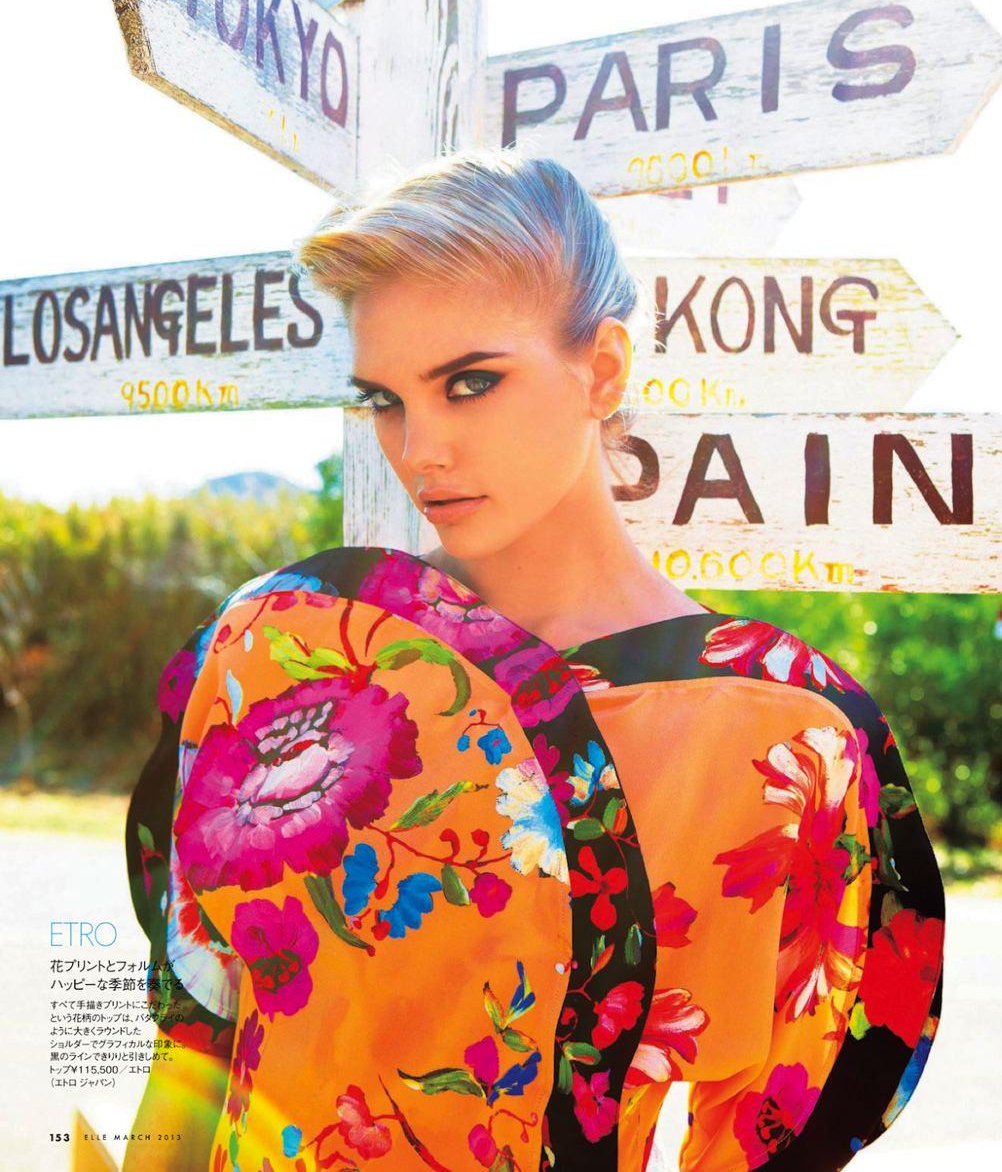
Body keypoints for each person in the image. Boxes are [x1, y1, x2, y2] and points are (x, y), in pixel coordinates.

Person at [124, 150, 945, 1172]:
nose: (419, 449)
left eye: (470, 383)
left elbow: (770, 1135)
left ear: (602, 371)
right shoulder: (278, 648)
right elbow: (194, 1042)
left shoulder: (788, 738)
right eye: (384, 399)